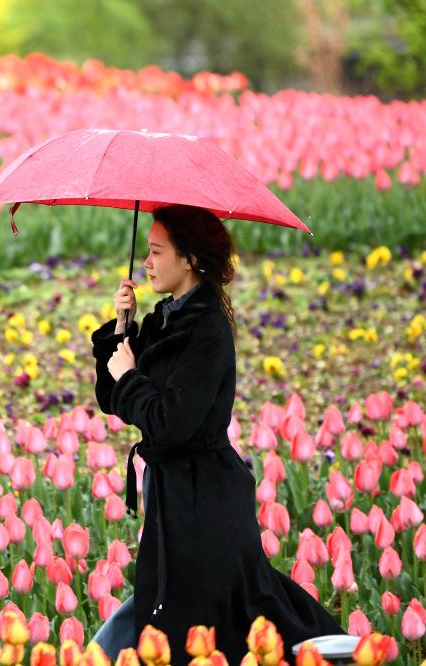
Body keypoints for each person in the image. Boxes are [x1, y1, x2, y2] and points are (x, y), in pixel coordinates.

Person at [88, 205, 343, 666]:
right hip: (172, 492)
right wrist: (122, 329)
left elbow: (169, 423)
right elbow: (115, 400)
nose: (146, 263)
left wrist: (130, 377)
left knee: (220, 615)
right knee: (172, 606)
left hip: (204, 499)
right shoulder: (166, 318)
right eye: (146, 252)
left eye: (156, 252)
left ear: (188, 259)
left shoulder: (207, 331)